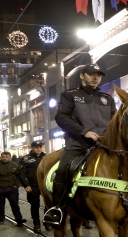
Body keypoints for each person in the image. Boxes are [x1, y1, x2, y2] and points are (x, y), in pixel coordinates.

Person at [44, 64, 116, 226]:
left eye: (98, 75)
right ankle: (57, 209)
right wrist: (85, 132)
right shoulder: (69, 95)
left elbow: (114, 121)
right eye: (91, 74)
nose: (95, 78)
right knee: (63, 169)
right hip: (78, 143)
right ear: (82, 76)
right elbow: (62, 118)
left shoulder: (108, 99)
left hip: (105, 144)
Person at [0, 151, 28, 226]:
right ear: (1, 157)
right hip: (0, 189)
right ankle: (1, 218)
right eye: (3, 157)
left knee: (15, 205)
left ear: (10, 157)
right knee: (1, 205)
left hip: (12, 188)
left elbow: (18, 176)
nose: (5, 158)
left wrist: (17, 185)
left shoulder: (14, 165)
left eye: (7, 157)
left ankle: (19, 219)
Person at [19, 141, 46, 233]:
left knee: (48, 204)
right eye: (36, 147)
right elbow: (21, 173)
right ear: (32, 148)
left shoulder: (46, 157)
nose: (38, 149)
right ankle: (36, 223)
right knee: (35, 205)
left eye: (40, 147)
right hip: (32, 185)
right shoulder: (25, 159)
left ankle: (47, 221)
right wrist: (26, 185)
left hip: (45, 185)